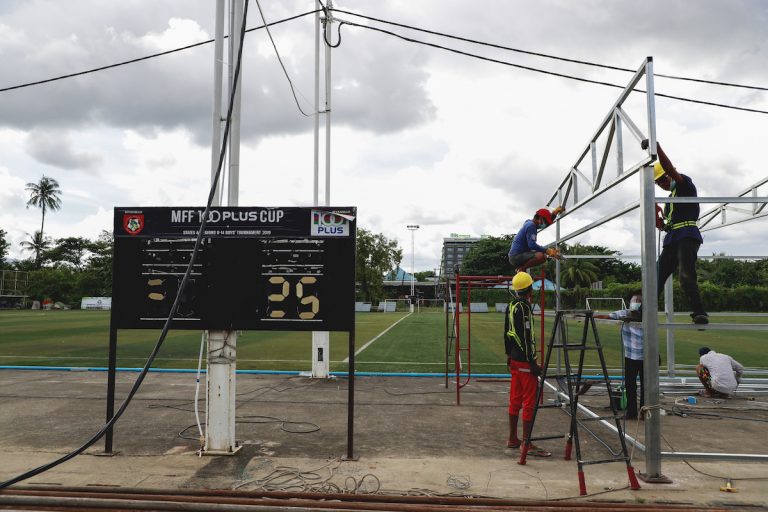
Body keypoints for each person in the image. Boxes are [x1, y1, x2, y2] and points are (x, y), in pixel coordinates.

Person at [647, 140, 708, 325]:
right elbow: (665, 226)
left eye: (663, 179)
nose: (662, 184)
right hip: (673, 236)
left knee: (686, 276)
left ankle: (699, 313)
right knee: (656, 276)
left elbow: (669, 168)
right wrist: (658, 220)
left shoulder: (684, 184)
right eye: (658, 183)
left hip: (687, 234)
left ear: (670, 174)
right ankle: (643, 310)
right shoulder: (670, 199)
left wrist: (655, 148)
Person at [504, 271, 550, 457]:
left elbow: (507, 332)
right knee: (529, 402)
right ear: (529, 288)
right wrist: (532, 362)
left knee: (515, 400)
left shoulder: (511, 305)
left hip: (514, 360)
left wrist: (508, 354)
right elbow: (525, 336)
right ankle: (527, 443)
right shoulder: (524, 308)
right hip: (524, 362)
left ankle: (513, 439)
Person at [594, 293, 644, 420]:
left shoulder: (647, 315)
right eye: (634, 300)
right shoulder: (624, 313)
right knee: (630, 385)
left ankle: (644, 411)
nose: (636, 302)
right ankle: (631, 412)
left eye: (639, 300)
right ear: (630, 302)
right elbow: (608, 316)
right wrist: (591, 316)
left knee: (646, 386)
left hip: (646, 357)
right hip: (630, 357)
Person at [508, 206, 564, 273]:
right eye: (544, 222)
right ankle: (521, 269)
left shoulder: (530, 223)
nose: (544, 224)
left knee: (541, 255)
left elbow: (546, 223)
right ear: (540, 218)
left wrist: (554, 213)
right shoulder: (531, 226)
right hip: (516, 257)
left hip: (518, 255)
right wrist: (547, 250)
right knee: (542, 256)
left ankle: (522, 269)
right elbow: (532, 245)